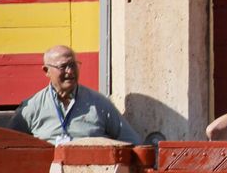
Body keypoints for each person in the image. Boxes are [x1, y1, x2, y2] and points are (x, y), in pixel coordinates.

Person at [10, 44, 141, 143]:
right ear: (46, 71)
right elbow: (8, 144)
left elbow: (132, 141)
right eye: (63, 67)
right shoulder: (31, 107)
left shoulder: (99, 104)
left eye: (73, 65)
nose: (70, 71)